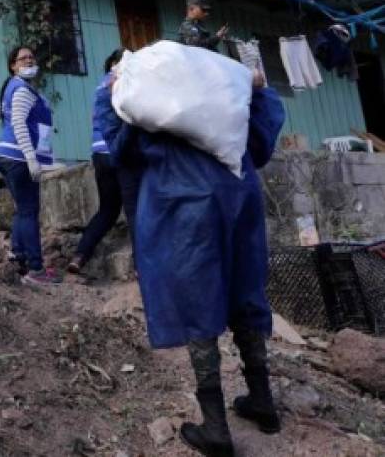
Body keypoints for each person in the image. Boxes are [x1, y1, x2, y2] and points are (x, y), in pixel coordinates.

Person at [97, 68, 285, 457]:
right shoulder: (225, 99)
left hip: (184, 201)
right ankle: (263, 401)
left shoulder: (151, 108)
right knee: (245, 289)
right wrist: (261, 91)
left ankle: (216, 427)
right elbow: (263, 144)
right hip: (239, 193)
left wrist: (110, 98)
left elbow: (118, 151)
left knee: (200, 303)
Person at [67, 48, 141, 274]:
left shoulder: (100, 84)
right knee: (134, 210)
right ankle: (141, 266)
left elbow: (94, 118)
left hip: (99, 154)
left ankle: (80, 256)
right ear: (118, 63)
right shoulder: (121, 82)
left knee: (108, 209)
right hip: (118, 152)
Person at [0, 46, 60, 286]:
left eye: (31, 56)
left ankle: (18, 257)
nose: (29, 60)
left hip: (8, 156)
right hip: (19, 158)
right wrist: (31, 158)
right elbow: (19, 124)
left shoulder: (16, 87)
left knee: (22, 210)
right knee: (30, 211)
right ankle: (36, 269)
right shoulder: (21, 89)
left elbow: (4, 112)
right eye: (23, 58)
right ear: (13, 65)